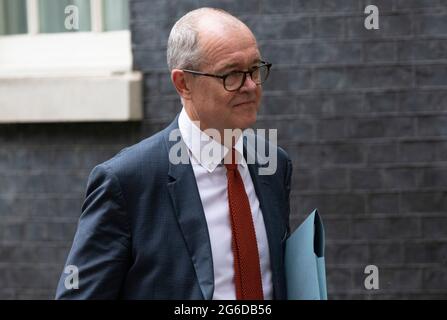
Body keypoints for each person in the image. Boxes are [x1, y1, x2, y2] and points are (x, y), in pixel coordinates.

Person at [55, 7, 292, 300]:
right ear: (183, 84)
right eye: (231, 74)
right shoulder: (126, 181)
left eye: (255, 69)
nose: (250, 86)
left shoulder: (274, 164)